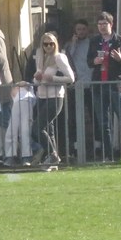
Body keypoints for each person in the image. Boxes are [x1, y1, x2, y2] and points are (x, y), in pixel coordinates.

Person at [87, 12, 121, 161]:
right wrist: (95, 61)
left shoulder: (120, 41)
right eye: (99, 24)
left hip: (115, 84)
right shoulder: (94, 41)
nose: (102, 27)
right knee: (103, 122)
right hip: (99, 84)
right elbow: (89, 61)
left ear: (111, 24)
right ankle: (108, 155)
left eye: (105, 24)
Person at [32, 32, 75, 167]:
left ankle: (52, 155)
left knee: (37, 128)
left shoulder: (59, 57)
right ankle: (52, 160)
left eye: (51, 43)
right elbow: (37, 80)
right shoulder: (41, 58)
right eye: (46, 44)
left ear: (55, 44)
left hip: (55, 97)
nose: (49, 46)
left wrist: (53, 79)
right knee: (47, 130)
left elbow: (71, 78)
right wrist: (37, 78)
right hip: (42, 96)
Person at [65, 18, 94, 159]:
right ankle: (75, 145)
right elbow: (67, 59)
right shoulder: (70, 46)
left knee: (94, 114)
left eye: (83, 29)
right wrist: (74, 44)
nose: (81, 32)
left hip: (91, 84)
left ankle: (96, 144)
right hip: (76, 86)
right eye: (78, 29)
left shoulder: (91, 44)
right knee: (74, 117)